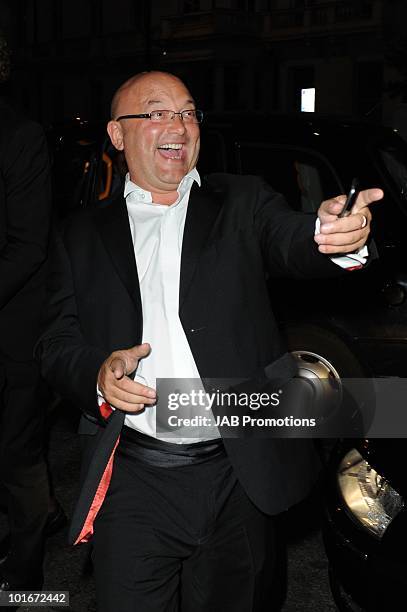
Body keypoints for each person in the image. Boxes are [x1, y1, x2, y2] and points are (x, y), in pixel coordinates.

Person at [36, 71, 383, 611]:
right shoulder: (79, 234)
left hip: (237, 472)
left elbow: (291, 238)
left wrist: (330, 236)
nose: (179, 124)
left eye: (189, 112)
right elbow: (56, 341)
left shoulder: (241, 201)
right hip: (135, 479)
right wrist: (97, 375)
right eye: (156, 113)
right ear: (117, 134)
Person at [0, 94, 52, 592]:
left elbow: (28, 244)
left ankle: (26, 577)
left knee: (18, 455)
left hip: (12, 332)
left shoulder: (19, 134)